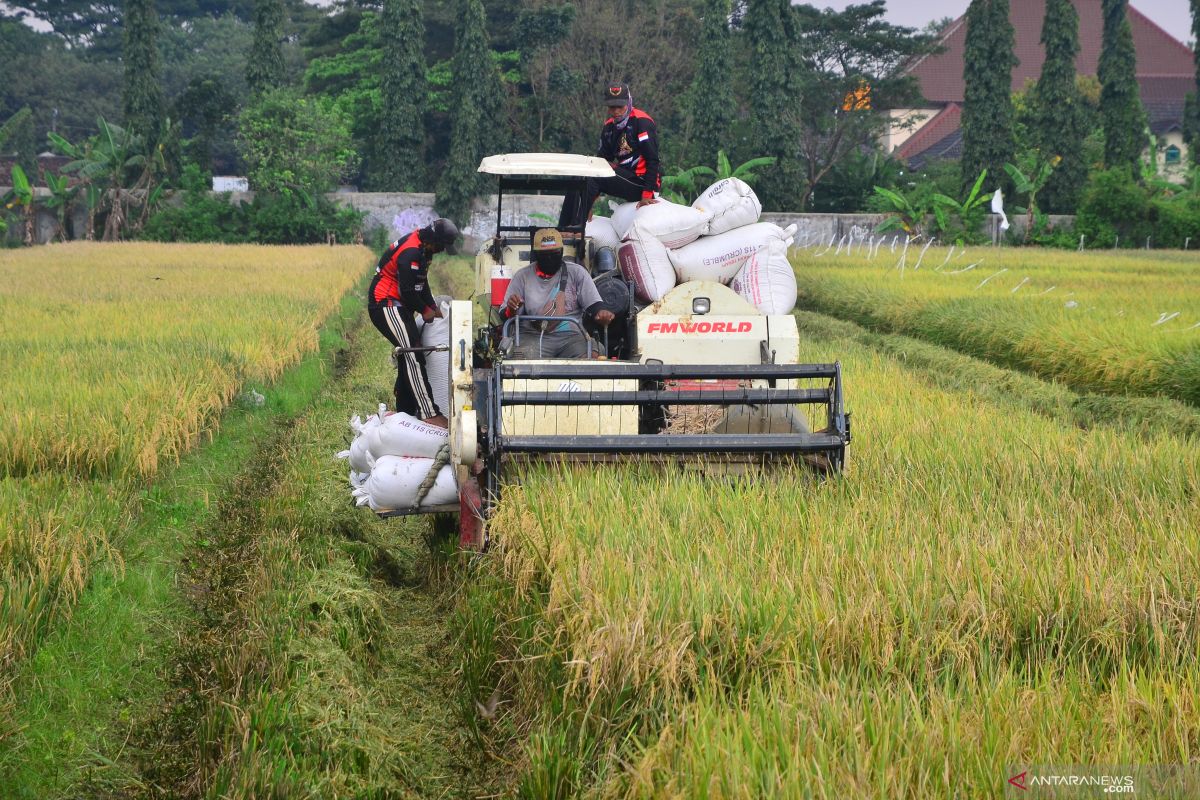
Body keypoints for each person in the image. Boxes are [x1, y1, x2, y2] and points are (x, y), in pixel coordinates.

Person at [367, 218, 459, 427]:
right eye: (441, 246)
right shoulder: (411, 252)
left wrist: (432, 306)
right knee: (412, 353)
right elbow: (408, 291)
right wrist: (425, 310)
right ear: (433, 240)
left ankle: (406, 411)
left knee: (406, 356)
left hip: (398, 305)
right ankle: (429, 413)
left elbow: (422, 281)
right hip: (386, 304)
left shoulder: (423, 249)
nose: (441, 250)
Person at [558, 82, 662, 230]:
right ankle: (563, 227)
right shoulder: (609, 127)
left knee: (595, 174)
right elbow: (600, 162)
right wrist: (589, 203)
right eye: (612, 107)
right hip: (624, 177)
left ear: (629, 103)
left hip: (642, 183)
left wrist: (647, 194)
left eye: (620, 106)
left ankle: (577, 228)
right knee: (581, 173)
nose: (616, 111)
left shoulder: (642, 122)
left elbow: (653, 160)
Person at [502, 228, 615, 359]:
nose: (550, 258)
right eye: (545, 255)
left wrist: (601, 313)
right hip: (532, 336)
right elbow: (505, 316)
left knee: (593, 353)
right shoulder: (522, 276)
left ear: (561, 252)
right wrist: (511, 308)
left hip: (571, 338)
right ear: (536, 255)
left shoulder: (577, 273)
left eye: (554, 253)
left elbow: (595, 306)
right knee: (519, 358)